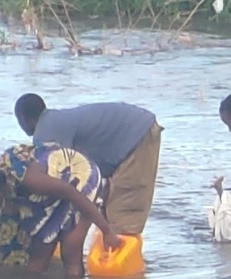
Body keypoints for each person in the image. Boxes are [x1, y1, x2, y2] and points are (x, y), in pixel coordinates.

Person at [14, 95, 162, 239]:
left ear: (23, 119)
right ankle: (107, 246)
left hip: (136, 134)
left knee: (125, 208)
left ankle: (120, 251)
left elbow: (49, 183)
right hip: (126, 133)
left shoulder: (46, 132)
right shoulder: (54, 122)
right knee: (108, 205)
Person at [0, 143, 118, 275]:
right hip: (47, 191)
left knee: (70, 250)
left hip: (76, 174)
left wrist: (107, 231)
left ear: (3, 190)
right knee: (39, 249)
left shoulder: (32, 181)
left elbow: (71, 193)